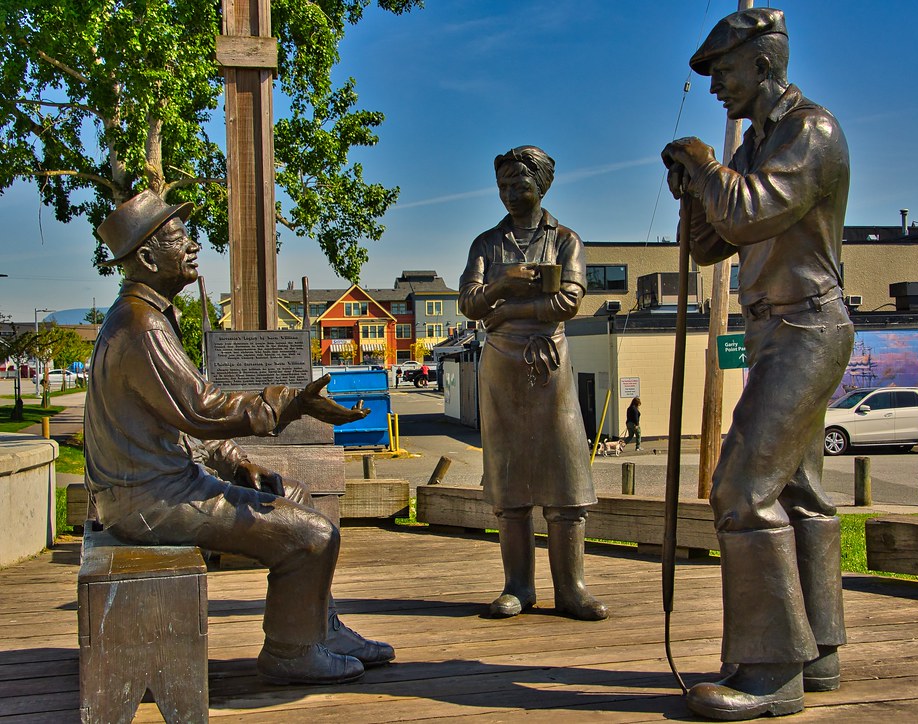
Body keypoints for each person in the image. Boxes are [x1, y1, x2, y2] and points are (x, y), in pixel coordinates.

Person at [84, 190, 395, 685]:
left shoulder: (149, 315)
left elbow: (175, 424)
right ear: (145, 257)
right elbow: (202, 409)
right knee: (313, 537)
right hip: (150, 500)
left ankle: (319, 629)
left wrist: (234, 462)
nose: (193, 246)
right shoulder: (141, 326)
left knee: (290, 493)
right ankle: (289, 652)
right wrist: (291, 402)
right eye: (179, 238)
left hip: (156, 485)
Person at [661, 8, 853, 720]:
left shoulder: (811, 131)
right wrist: (692, 191)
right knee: (796, 490)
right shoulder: (753, 145)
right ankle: (817, 651)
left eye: (723, 71)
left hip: (806, 324)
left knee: (741, 489)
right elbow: (713, 245)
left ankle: (772, 673)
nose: (714, 87)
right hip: (778, 328)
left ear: (762, 66)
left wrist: (708, 167)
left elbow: (748, 215)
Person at [459, 146, 608, 621]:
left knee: (565, 476)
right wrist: (502, 287)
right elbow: (468, 301)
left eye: (518, 186)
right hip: (501, 367)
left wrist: (502, 311)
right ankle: (518, 586)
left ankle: (572, 588)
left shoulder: (566, 240)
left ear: (542, 186)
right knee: (510, 480)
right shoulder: (486, 243)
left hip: (550, 361)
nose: (509, 195)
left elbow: (568, 302)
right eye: (502, 187)